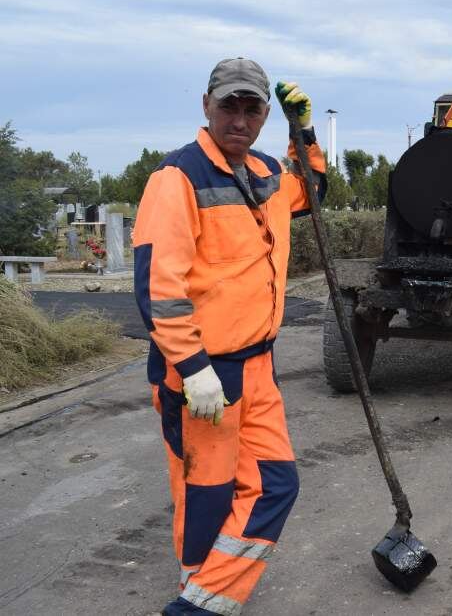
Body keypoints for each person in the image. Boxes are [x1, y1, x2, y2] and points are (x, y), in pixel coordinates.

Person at [132, 57, 326, 615]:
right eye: (229, 107)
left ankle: (199, 602)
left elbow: (312, 193)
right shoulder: (178, 178)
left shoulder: (267, 172)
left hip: (258, 365)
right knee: (206, 497)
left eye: (252, 109)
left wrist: (304, 132)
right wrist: (194, 370)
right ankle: (198, 600)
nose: (239, 120)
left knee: (275, 485)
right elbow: (158, 287)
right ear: (206, 106)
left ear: (265, 115)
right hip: (205, 373)